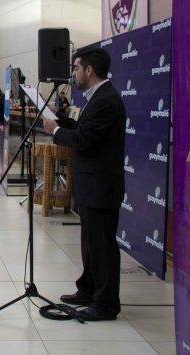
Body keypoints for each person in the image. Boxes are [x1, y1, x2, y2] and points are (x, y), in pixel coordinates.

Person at [43, 47, 126, 322]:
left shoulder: (105, 100)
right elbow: (82, 129)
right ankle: (89, 289)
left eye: (76, 68)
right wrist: (60, 121)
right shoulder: (96, 98)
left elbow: (83, 140)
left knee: (102, 246)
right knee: (91, 242)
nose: (73, 74)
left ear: (89, 70)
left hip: (101, 185)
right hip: (91, 184)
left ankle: (105, 303)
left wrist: (55, 131)